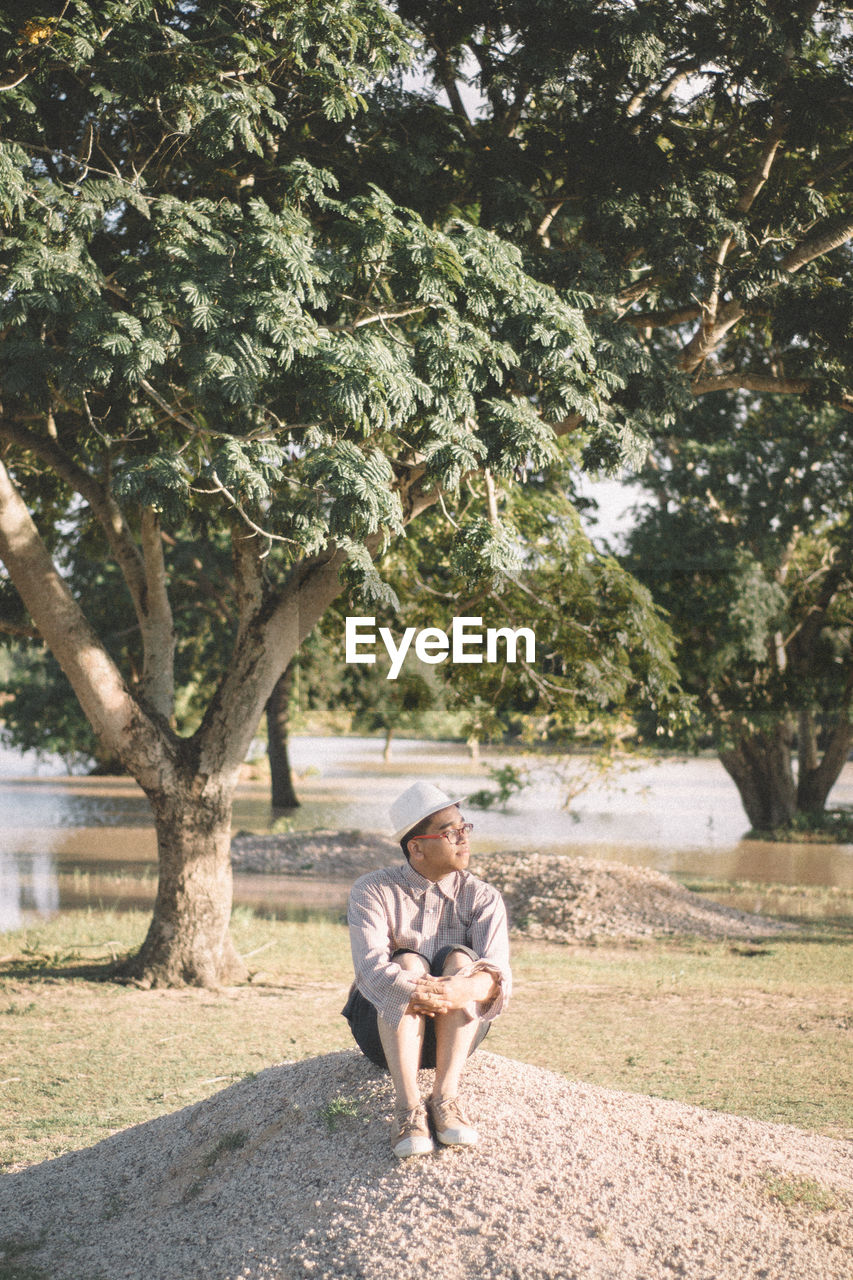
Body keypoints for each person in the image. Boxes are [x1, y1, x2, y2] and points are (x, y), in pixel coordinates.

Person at [342, 781, 512, 1159]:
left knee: (462, 962)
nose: (463, 839)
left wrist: (458, 989)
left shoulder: (482, 897)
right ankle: (408, 1110)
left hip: (457, 1030)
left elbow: (498, 974)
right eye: (450, 832)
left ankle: (446, 1099)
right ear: (416, 847)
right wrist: (420, 989)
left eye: (464, 828)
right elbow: (370, 970)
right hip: (380, 1031)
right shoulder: (372, 891)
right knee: (407, 964)